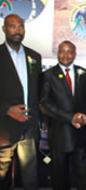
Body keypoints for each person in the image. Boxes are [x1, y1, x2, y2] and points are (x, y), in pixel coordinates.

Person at [40, 40, 86, 190]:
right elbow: (44, 104)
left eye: (69, 51)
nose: (65, 55)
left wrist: (85, 117)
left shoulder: (85, 74)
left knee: (83, 179)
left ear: (75, 54)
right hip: (59, 136)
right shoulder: (47, 75)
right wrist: (70, 118)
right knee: (59, 180)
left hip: (81, 136)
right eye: (62, 51)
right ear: (57, 54)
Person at [0, 14, 42, 189]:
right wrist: (7, 109)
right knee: (1, 179)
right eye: (12, 26)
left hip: (29, 127)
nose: (17, 30)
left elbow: (39, 91)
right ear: (4, 29)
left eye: (20, 26)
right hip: (3, 128)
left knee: (30, 179)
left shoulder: (35, 56)